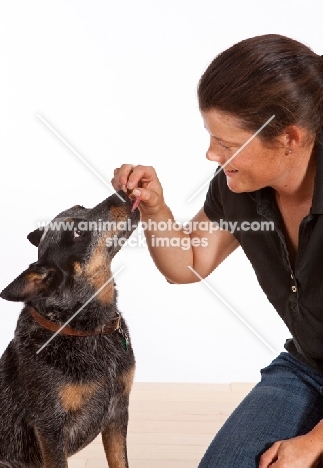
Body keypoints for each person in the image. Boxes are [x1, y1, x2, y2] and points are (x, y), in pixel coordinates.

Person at [111, 34, 323, 468]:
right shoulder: (240, 188)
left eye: (227, 144)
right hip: (309, 366)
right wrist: (156, 208)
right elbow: (187, 264)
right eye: (212, 137)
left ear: (290, 138)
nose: (212, 154)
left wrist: (313, 444)